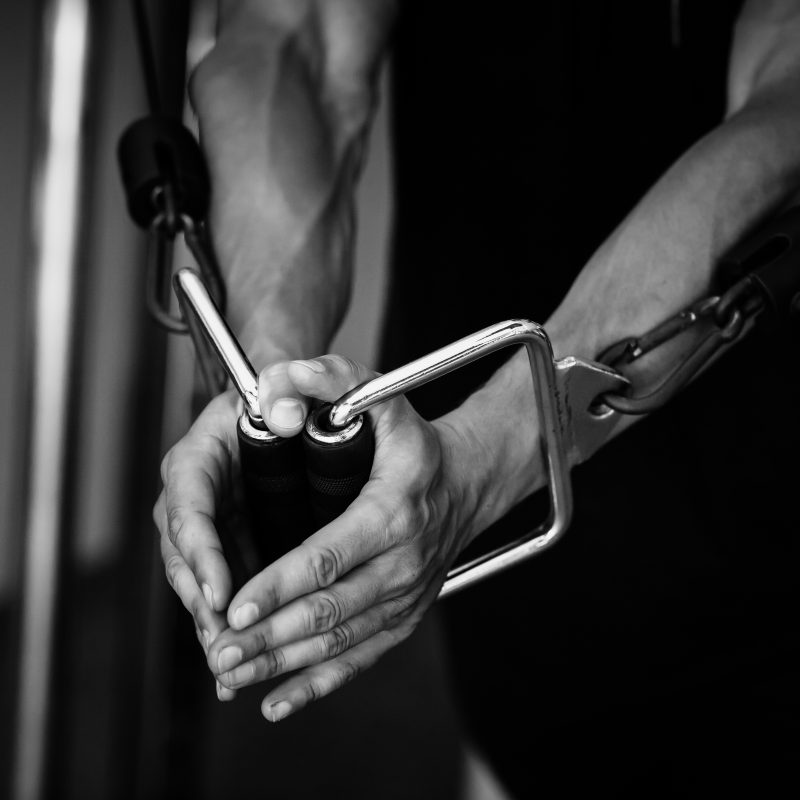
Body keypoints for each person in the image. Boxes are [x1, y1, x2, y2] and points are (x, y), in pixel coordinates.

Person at [154, 0, 800, 794]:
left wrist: (490, 451)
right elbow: (303, 40)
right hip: (499, 583)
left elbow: (787, 103)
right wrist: (272, 391)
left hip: (765, 513)